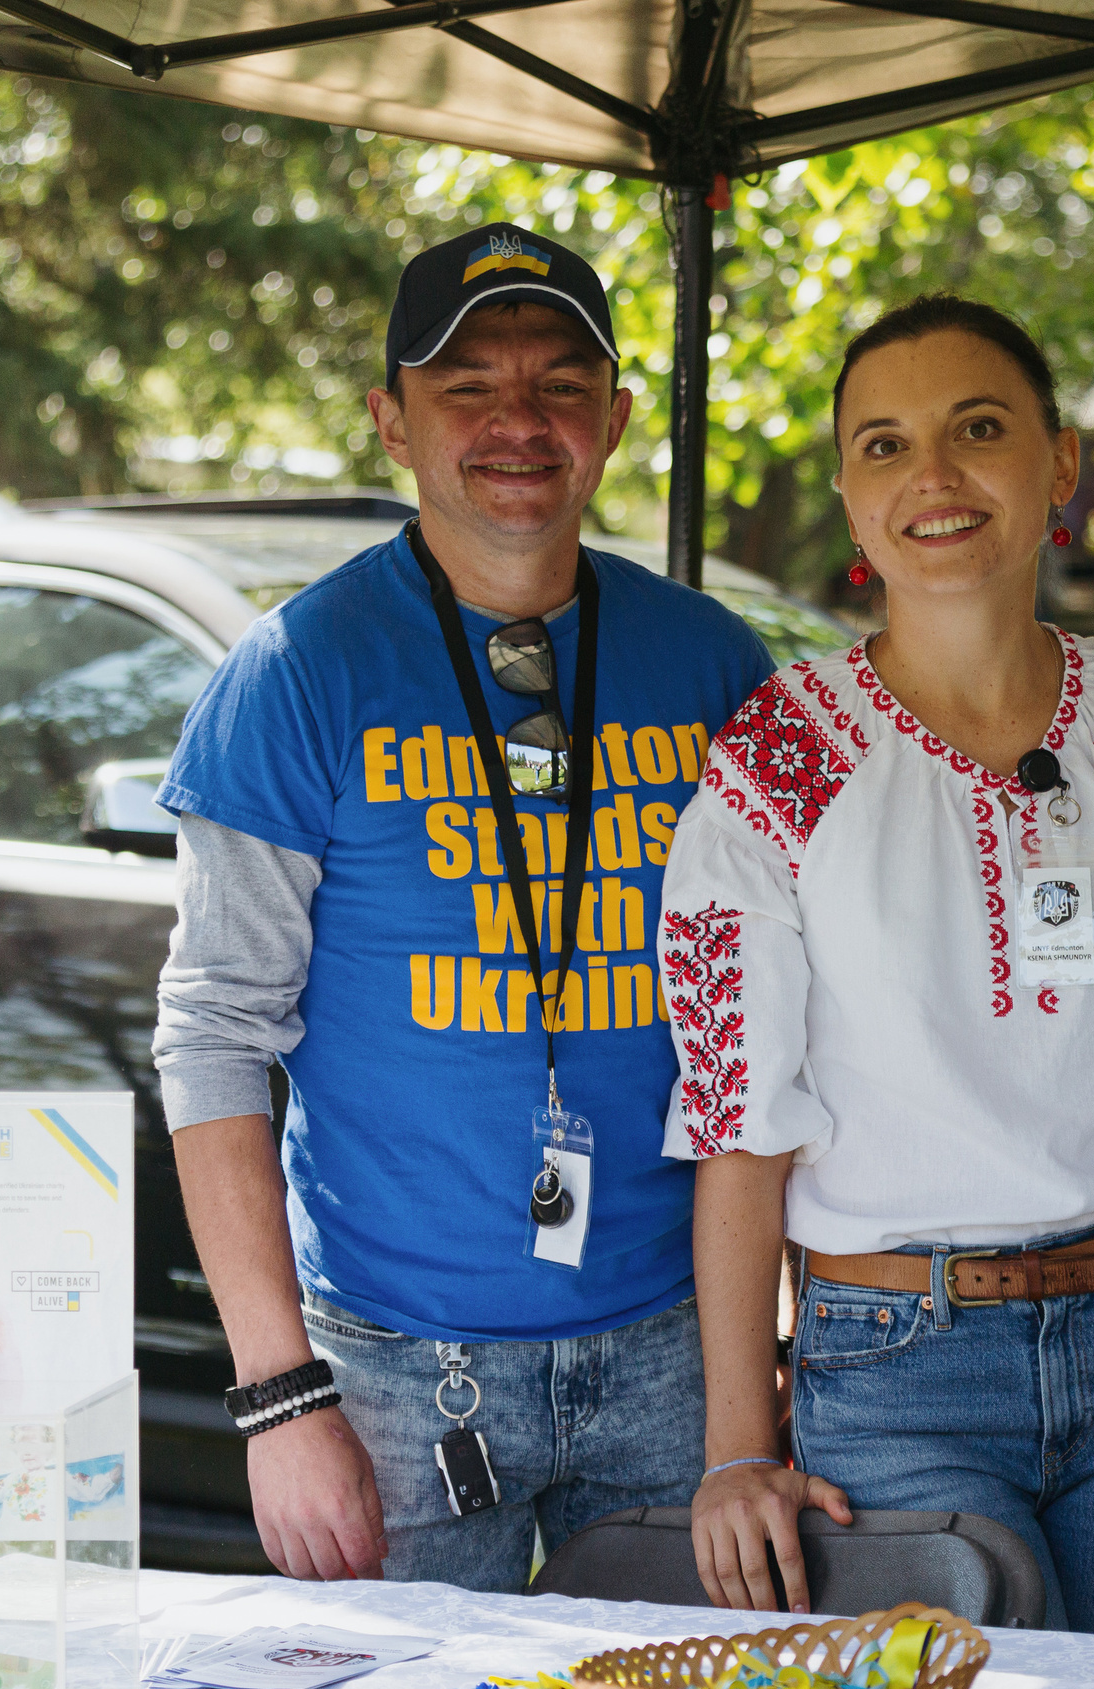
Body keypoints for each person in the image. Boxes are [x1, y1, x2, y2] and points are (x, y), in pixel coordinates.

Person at [150, 220, 774, 1589]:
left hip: (680, 1353)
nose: (517, 423)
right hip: (394, 1371)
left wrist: (762, 1373)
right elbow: (213, 1040)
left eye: (559, 385)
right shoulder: (298, 671)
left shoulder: (715, 664)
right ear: (392, 421)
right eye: (466, 386)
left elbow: (789, 1030)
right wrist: (278, 1397)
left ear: (613, 420)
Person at [659, 294, 1094, 1636]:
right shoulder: (776, 761)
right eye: (884, 446)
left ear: (1061, 465)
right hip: (897, 1366)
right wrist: (741, 1447)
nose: (934, 477)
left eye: (980, 429)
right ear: (854, 505)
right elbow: (740, 1126)